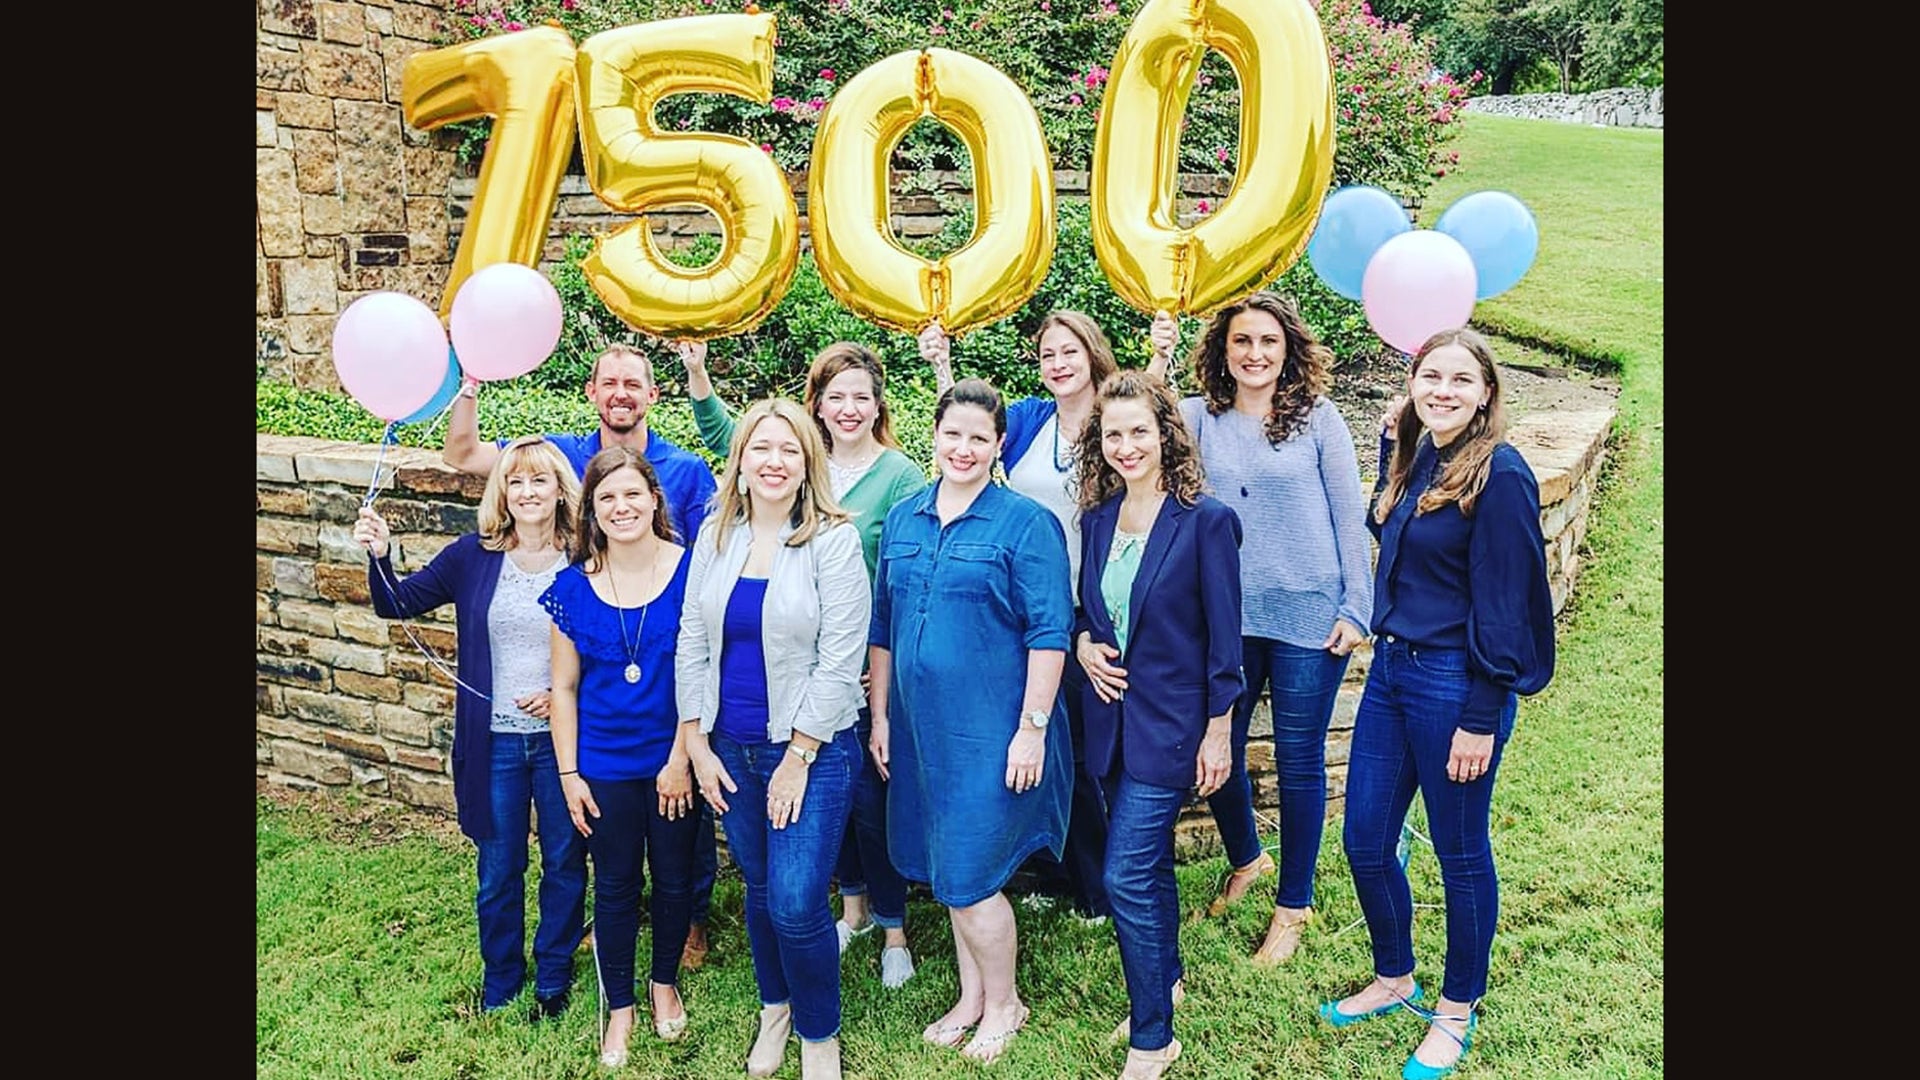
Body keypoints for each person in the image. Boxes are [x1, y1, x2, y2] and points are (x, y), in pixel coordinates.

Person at [1317, 327, 1554, 1080]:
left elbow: (1511, 601)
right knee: (1363, 839)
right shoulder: (1423, 458)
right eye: (1430, 377)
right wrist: (1400, 439)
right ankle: (1394, 976)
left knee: (1459, 852)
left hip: (1457, 684)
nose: (1443, 390)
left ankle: (1456, 1011)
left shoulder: (1501, 473)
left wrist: (1484, 713)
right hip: (1390, 676)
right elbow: (1385, 529)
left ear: (1487, 393)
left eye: (1460, 380)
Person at [444, 342, 723, 970]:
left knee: (685, 817)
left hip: (664, 670)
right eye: (609, 383)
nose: (621, 394)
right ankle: (613, 916)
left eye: (634, 384)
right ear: (592, 393)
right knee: (607, 823)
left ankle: (691, 921)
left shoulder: (685, 472)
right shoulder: (566, 456)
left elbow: (713, 557)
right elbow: (462, 454)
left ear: (654, 395)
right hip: (589, 663)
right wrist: (469, 385)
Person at [679, 339, 927, 989]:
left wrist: (872, 663)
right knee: (828, 819)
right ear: (815, 406)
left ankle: (894, 925)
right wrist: (699, 374)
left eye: (861, 398)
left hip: (865, 661)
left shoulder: (898, 475)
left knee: (871, 804)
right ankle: (853, 909)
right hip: (791, 664)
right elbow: (733, 436)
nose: (849, 409)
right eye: (836, 397)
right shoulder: (781, 467)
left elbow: (905, 567)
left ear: (878, 407)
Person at [1137, 291, 1373, 967]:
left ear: (1288, 349)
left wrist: (1357, 608)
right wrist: (1159, 352)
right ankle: (1248, 860)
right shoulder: (1199, 418)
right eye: (1242, 341)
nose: (1256, 354)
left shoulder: (1319, 419)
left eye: (1269, 341)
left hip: (1307, 617)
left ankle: (1292, 905)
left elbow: (1347, 513)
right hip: (1227, 621)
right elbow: (1134, 419)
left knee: (1300, 764)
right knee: (1217, 757)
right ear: (1223, 350)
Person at [918, 311, 1177, 922]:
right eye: (1047, 355)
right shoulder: (1034, 419)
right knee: (1046, 743)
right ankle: (1058, 873)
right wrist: (940, 365)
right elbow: (972, 433)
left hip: (1094, 608)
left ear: (1093, 353)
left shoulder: (1116, 424)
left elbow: (1152, 420)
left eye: (1069, 352)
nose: (1058, 364)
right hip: (1029, 605)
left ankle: (1101, 888)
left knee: (1086, 755)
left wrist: (1161, 358)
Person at [867, 378, 1074, 1064]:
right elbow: (884, 628)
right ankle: (971, 995)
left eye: (978, 438)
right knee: (945, 868)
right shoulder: (904, 517)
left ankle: (1006, 1001)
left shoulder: (1024, 523)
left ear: (998, 444)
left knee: (971, 872)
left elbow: (1050, 634)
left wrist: (1032, 727)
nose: (963, 448)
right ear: (934, 434)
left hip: (991, 731)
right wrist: (881, 718)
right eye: (952, 434)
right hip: (919, 730)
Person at [352, 435, 587, 1021]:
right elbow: (395, 604)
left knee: (564, 860)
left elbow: (612, 646)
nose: (528, 491)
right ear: (502, 492)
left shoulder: (588, 558)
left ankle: (553, 976)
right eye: (516, 481)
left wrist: (563, 692)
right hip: (496, 744)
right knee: (498, 867)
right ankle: (503, 978)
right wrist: (380, 554)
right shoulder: (471, 556)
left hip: (566, 743)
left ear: (561, 489)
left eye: (540, 480)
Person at [676, 398, 871, 1080]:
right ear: (740, 460)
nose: (774, 461)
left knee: (795, 900)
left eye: (789, 450)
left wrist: (798, 756)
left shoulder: (833, 540)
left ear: (808, 461)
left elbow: (841, 660)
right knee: (759, 889)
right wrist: (696, 741)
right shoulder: (716, 534)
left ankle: (819, 1035)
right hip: (730, 748)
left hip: (811, 752)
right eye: (761, 448)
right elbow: (692, 641)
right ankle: (775, 1008)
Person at [1072, 373, 1244, 1080]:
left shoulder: (1206, 521)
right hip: (1106, 724)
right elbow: (1088, 612)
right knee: (1147, 866)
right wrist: (1082, 643)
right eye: (1114, 434)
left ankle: (1153, 1036)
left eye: (1139, 430)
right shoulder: (1097, 520)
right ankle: (1165, 972)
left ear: (1165, 432)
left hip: (1172, 727)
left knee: (1124, 875)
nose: (1126, 445)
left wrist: (1218, 729)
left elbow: (1226, 642)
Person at [540, 446, 701, 1067]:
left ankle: (663, 985)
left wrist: (681, 757)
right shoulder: (572, 588)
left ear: (654, 499)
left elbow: (702, 672)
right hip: (602, 763)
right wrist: (569, 774)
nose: (621, 506)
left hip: (673, 758)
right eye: (606, 498)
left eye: (632, 493)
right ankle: (620, 1009)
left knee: (674, 878)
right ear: (592, 510)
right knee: (614, 885)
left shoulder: (691, 571)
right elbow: (564, 688)